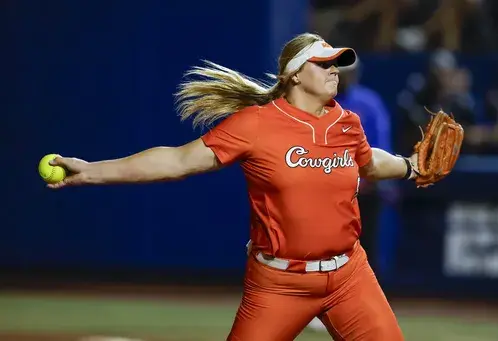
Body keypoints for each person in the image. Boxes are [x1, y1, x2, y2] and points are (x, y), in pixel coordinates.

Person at [48, 33, 419, 340]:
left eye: (335, 62)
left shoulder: (347, 122)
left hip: (349, 276)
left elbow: (368, 162)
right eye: (322, 63)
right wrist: (92, 171)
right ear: (293, 75)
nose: (333, 70)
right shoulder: (255, 125)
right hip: (278, 284)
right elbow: (177, 161)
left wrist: (409, 166)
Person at [305, 61, 397, 333]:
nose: (340, 77)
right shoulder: (316, 102)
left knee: (363, 252)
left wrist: (382, 179)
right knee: (320, 249)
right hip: (326, 192)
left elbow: (380, 144)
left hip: (364, 192)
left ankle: (366, 308)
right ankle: (319, 307)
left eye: (345, 73)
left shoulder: (367, 102)